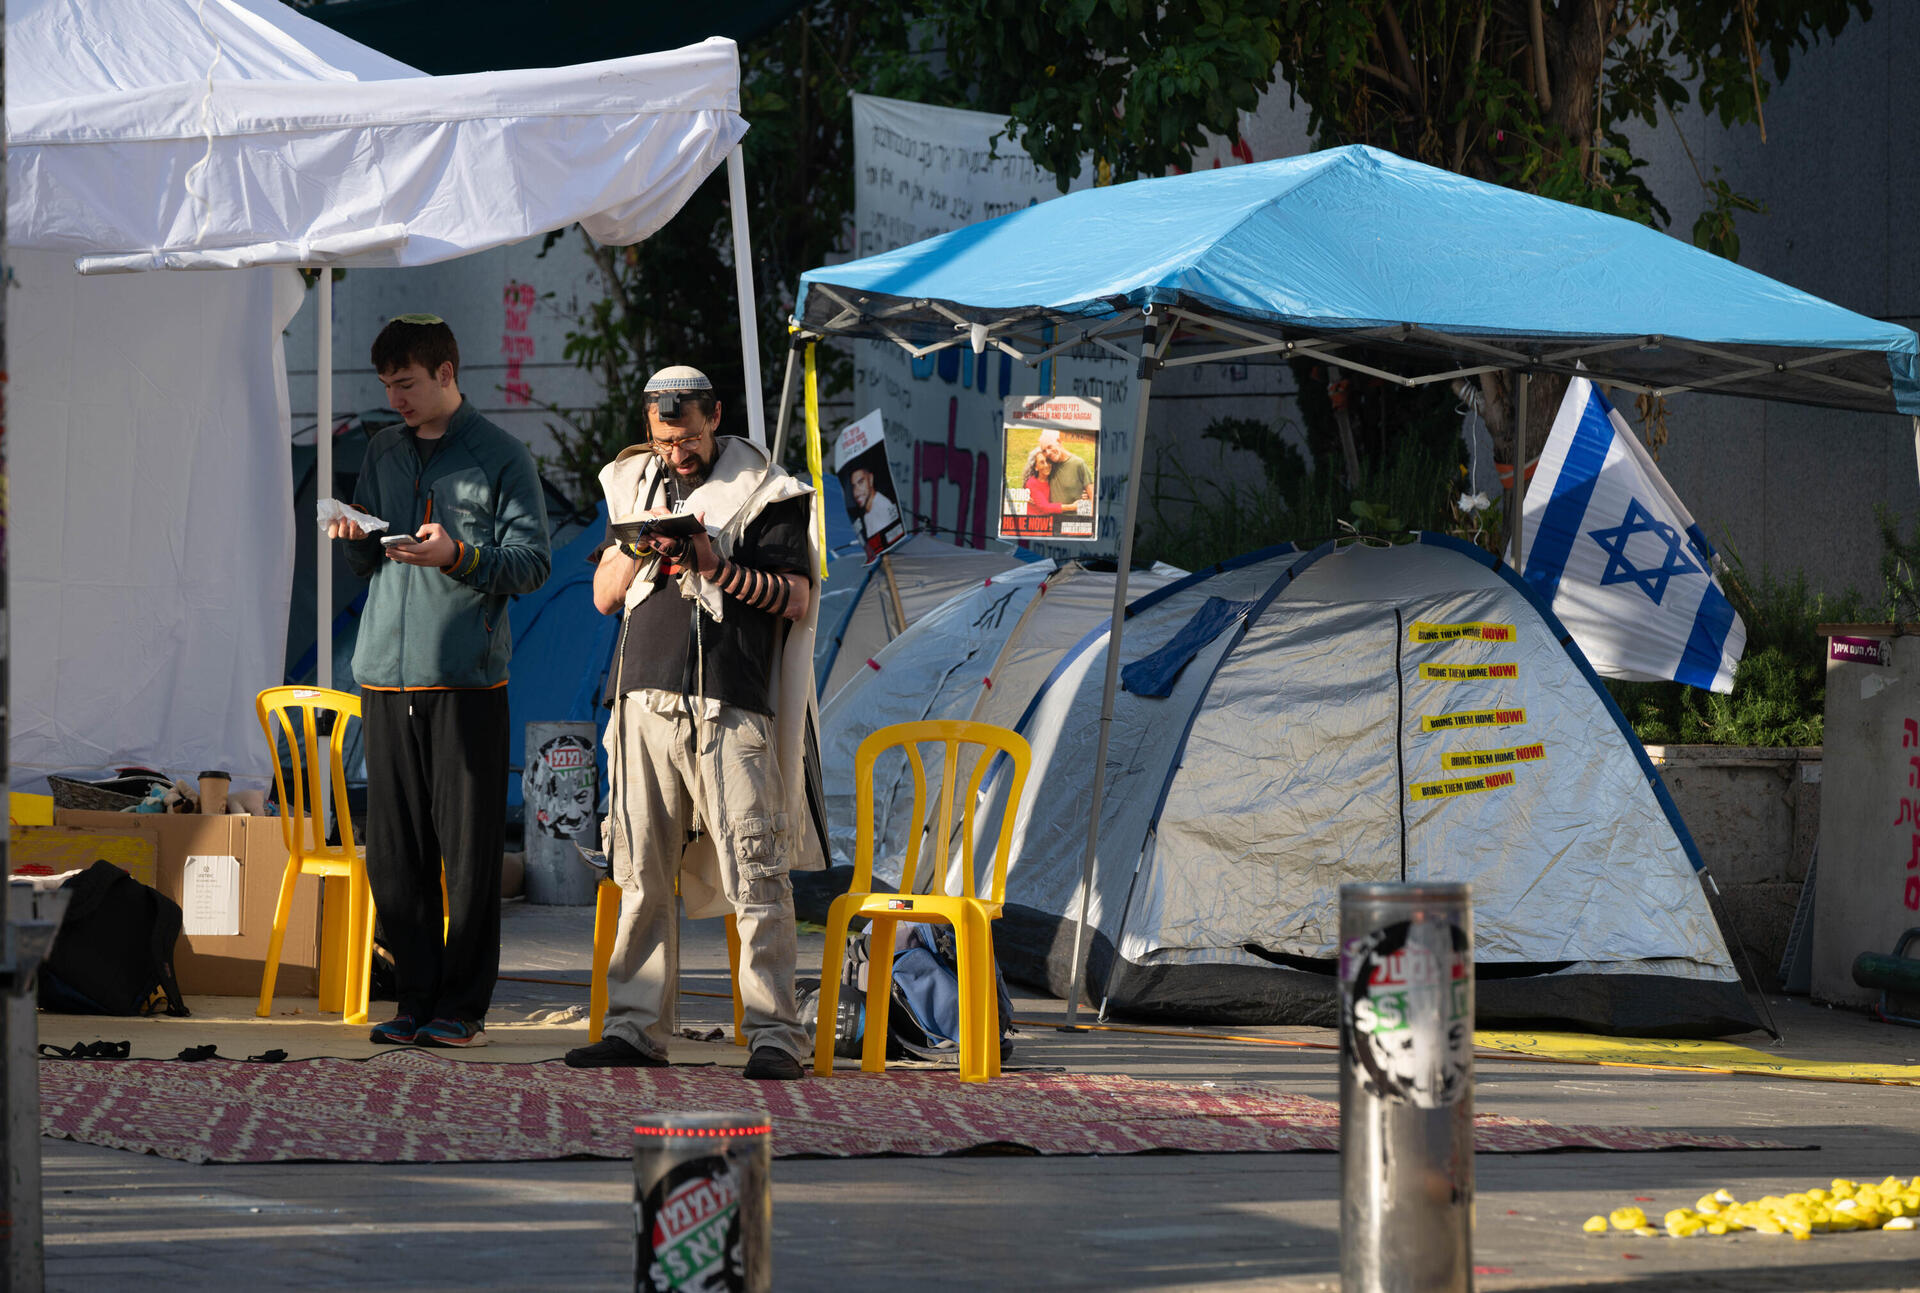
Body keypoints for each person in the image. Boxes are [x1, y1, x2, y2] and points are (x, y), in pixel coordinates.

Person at [564, 366, 818, 1080]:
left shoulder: (766, 490)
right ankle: (635, 1027)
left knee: (754, 863)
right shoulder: (634, 485)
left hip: (730, 700)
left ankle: (773, 1032)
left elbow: (795, 597)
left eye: (691, 435)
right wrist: (640, 548)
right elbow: (603, 598)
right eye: (665, 438)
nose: (678, 450)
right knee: (640, 867)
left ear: (715, 416)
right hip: (643, 697)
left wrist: (714, 563)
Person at [327, 314, 552, 1049]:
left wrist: (459, 555)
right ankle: (414, 996)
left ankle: (464, 1003)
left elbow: (533, 564)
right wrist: (356, 536)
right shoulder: (384, 449)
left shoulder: (499, 455)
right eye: (388, 385)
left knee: (468, 851)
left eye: (408, 383)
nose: (396, 398)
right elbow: (368, 565)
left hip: (464, 681)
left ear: (447, 374)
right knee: (396, 853)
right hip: (383, 678)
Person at [1036, 427, 1093, 510]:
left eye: (1050, 447)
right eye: (1044, 450)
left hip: (1074, 519)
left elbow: (1092, 497)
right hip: (1053, 518)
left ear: (1059, 442)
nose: (1048, 453)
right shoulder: (1048, 466)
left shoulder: (1078, 463)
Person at [848, 465, 901, 555]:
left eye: (861, 482)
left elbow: (888, 552)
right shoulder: (867, 512)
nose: (856, 492)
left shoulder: (882, 508)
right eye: (854, 486)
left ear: (871, 479)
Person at [1021, 448, 1066, 517]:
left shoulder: (1053, 479)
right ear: (1036, 467)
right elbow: (1045, 508)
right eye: (1042, 462)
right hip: (1034, 523)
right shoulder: (1032, 483)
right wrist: (1073, 506)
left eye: (1048, 461)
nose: (1046, 465)